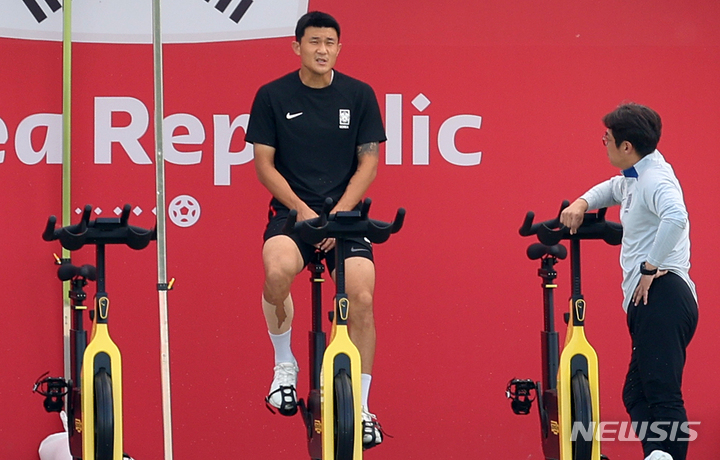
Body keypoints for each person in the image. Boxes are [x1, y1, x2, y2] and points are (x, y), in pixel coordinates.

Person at [245, 11, 387, 449]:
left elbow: (369, 163)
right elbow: (264, 166)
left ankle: (362, 406)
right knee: (275, 271)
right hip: (293, 213)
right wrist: (304, 210)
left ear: (339, 48)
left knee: (362, 296)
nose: (322, 49)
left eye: (330, 42)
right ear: (297, 47)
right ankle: (284, 366)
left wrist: (339, 215)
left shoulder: (359, 94)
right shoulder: (272, 95)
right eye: (313, 42)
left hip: (346, 218)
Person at [560, 103, 698, 460]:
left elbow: (676, 217)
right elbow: (613, 188)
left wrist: (650, 267)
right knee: (636, 394)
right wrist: (583, 201)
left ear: (626, 146)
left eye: (607, 139)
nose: (603, 143)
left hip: (662, 293)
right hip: (651, 299)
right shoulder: (639, 171)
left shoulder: (654, 178)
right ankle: (657, 455)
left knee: (661, 391)